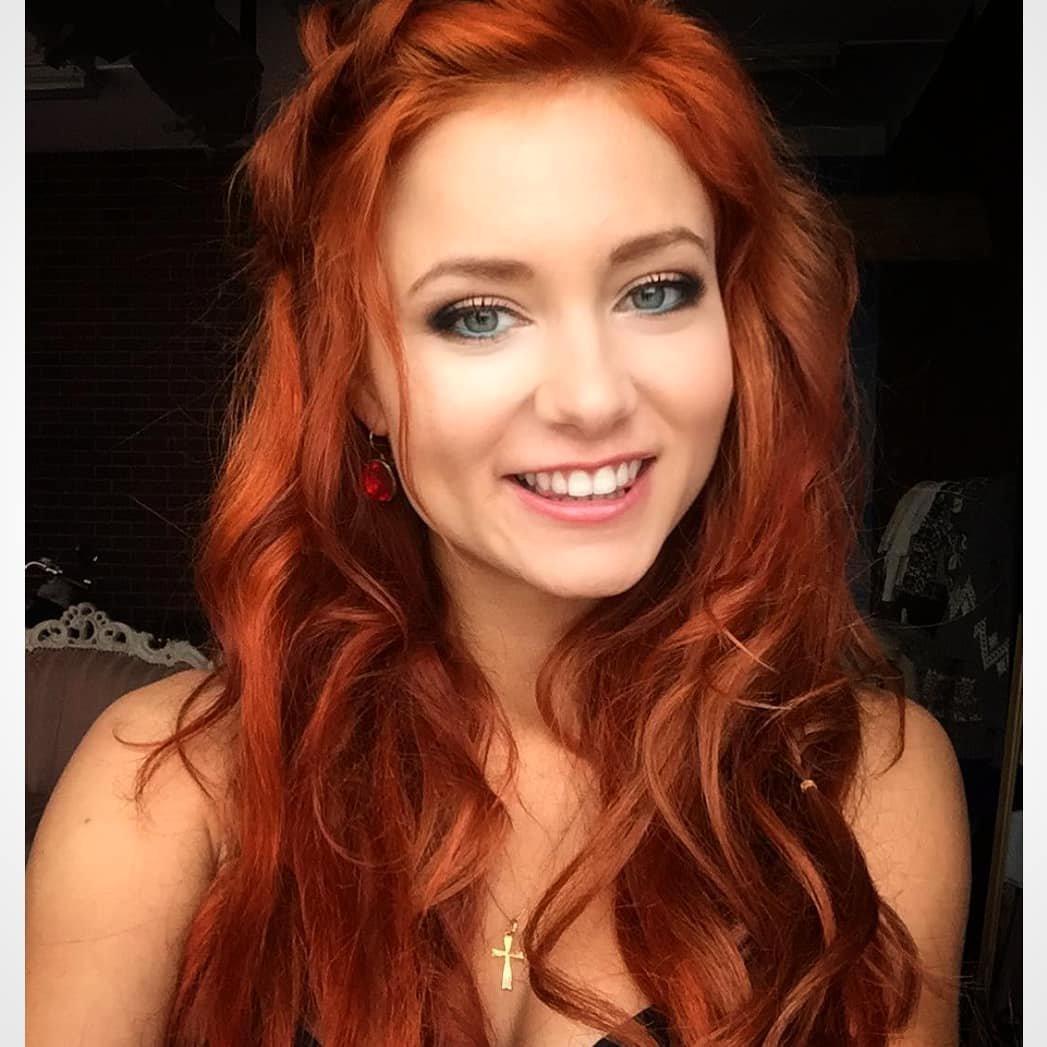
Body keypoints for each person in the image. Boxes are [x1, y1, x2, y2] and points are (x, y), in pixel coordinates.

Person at [26, 1, 972, 1044]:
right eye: (476, 313)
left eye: (656, 289)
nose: (592, 397)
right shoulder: (168, 787)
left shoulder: (862, 787)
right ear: (358, 382)